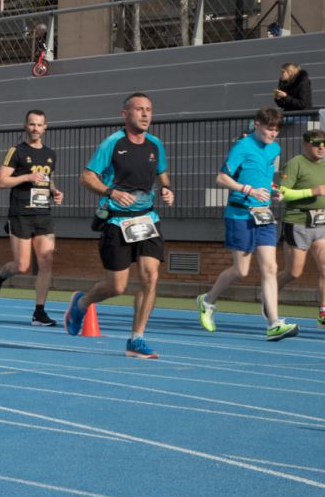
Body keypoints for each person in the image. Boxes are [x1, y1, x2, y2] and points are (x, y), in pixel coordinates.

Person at [64, 93, 176, 359]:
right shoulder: (112, 144)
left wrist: (167, 189)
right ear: (125, 114)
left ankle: (136, 339)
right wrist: (111, 192)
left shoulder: (155, 144)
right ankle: (82, 302)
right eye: (139, 109)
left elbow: (162, 173)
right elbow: (86, 177)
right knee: (117, 287)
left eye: (149, 109)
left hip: (147, 219)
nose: (146, 114)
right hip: (116, 221)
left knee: (151, 276)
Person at [196, 108, 298, 341]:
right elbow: (221, 178)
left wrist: (274, 190)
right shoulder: (242, 147)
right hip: (240, 214)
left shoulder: (274, 149)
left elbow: (264, 175)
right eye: (269, 129)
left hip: (264, 215)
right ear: (257, 125)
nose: (273, 134)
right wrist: (248, 190)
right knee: (240, 270)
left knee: (270, 268)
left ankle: (273, 323)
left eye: (276, 130)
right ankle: (208, 300)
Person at [0, 110, 65, 325]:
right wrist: (27, 176)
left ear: (45, 127)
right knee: (22, 266)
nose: (35, 128)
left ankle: (39, 311)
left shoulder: (50, 154)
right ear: (25, 126)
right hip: (21, 213)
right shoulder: (16, 151)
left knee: (46, 262)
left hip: (43, 214)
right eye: (32, 124)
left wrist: (55, 192)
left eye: (39, 125)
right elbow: (1, 182)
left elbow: (48, 181)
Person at [276, 129, 325, 328]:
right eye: (317, 144)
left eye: (324, 144)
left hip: (321, 222)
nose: (321, 148)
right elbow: (282, 193)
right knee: (293, 273)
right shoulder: (295, 163)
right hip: (297, 222)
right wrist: (312, 192)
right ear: (306, 144)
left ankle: (323, 312)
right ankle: (269, 297)